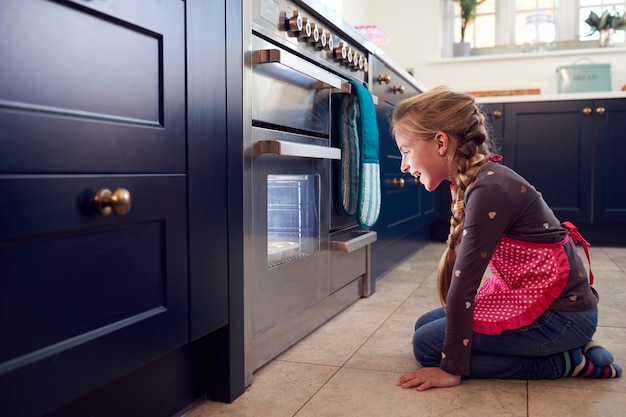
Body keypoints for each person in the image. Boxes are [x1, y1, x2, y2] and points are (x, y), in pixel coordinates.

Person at [391, 86, 621, 391]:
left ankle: (563, 361)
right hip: (550, 303)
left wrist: (451, 368)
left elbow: (465, 283)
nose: (403, 165)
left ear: (441, 143)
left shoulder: (489, 190)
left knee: (428, 347)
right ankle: (572, 346)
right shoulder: (477, 181)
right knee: (425, 326)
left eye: (406, 151)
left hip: (561, 315)